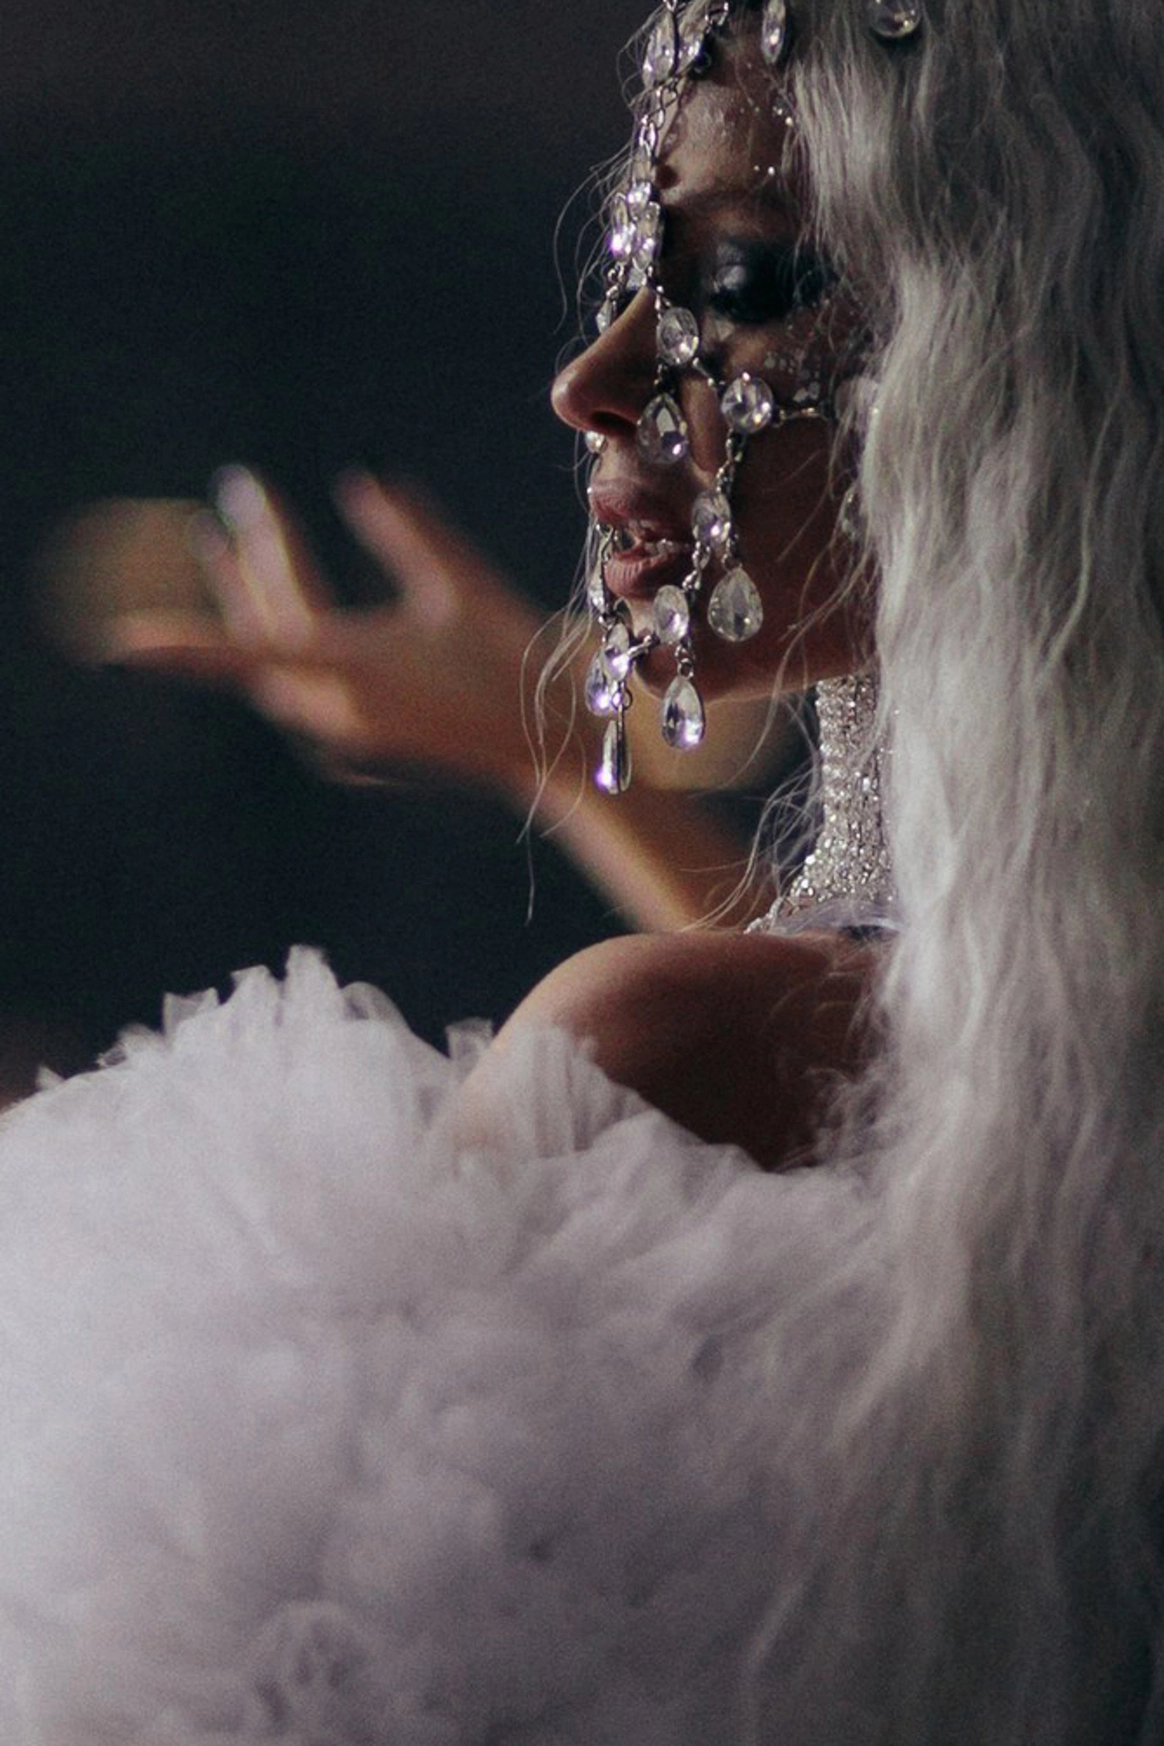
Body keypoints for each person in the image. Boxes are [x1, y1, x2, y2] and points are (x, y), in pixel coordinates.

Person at [1, 0, 1161, 1741]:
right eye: (635, 270)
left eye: (740, 281)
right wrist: (557, 758)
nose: (594, 377)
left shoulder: (659, 1052)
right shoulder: (1070, 1103)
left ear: (1012, 366)